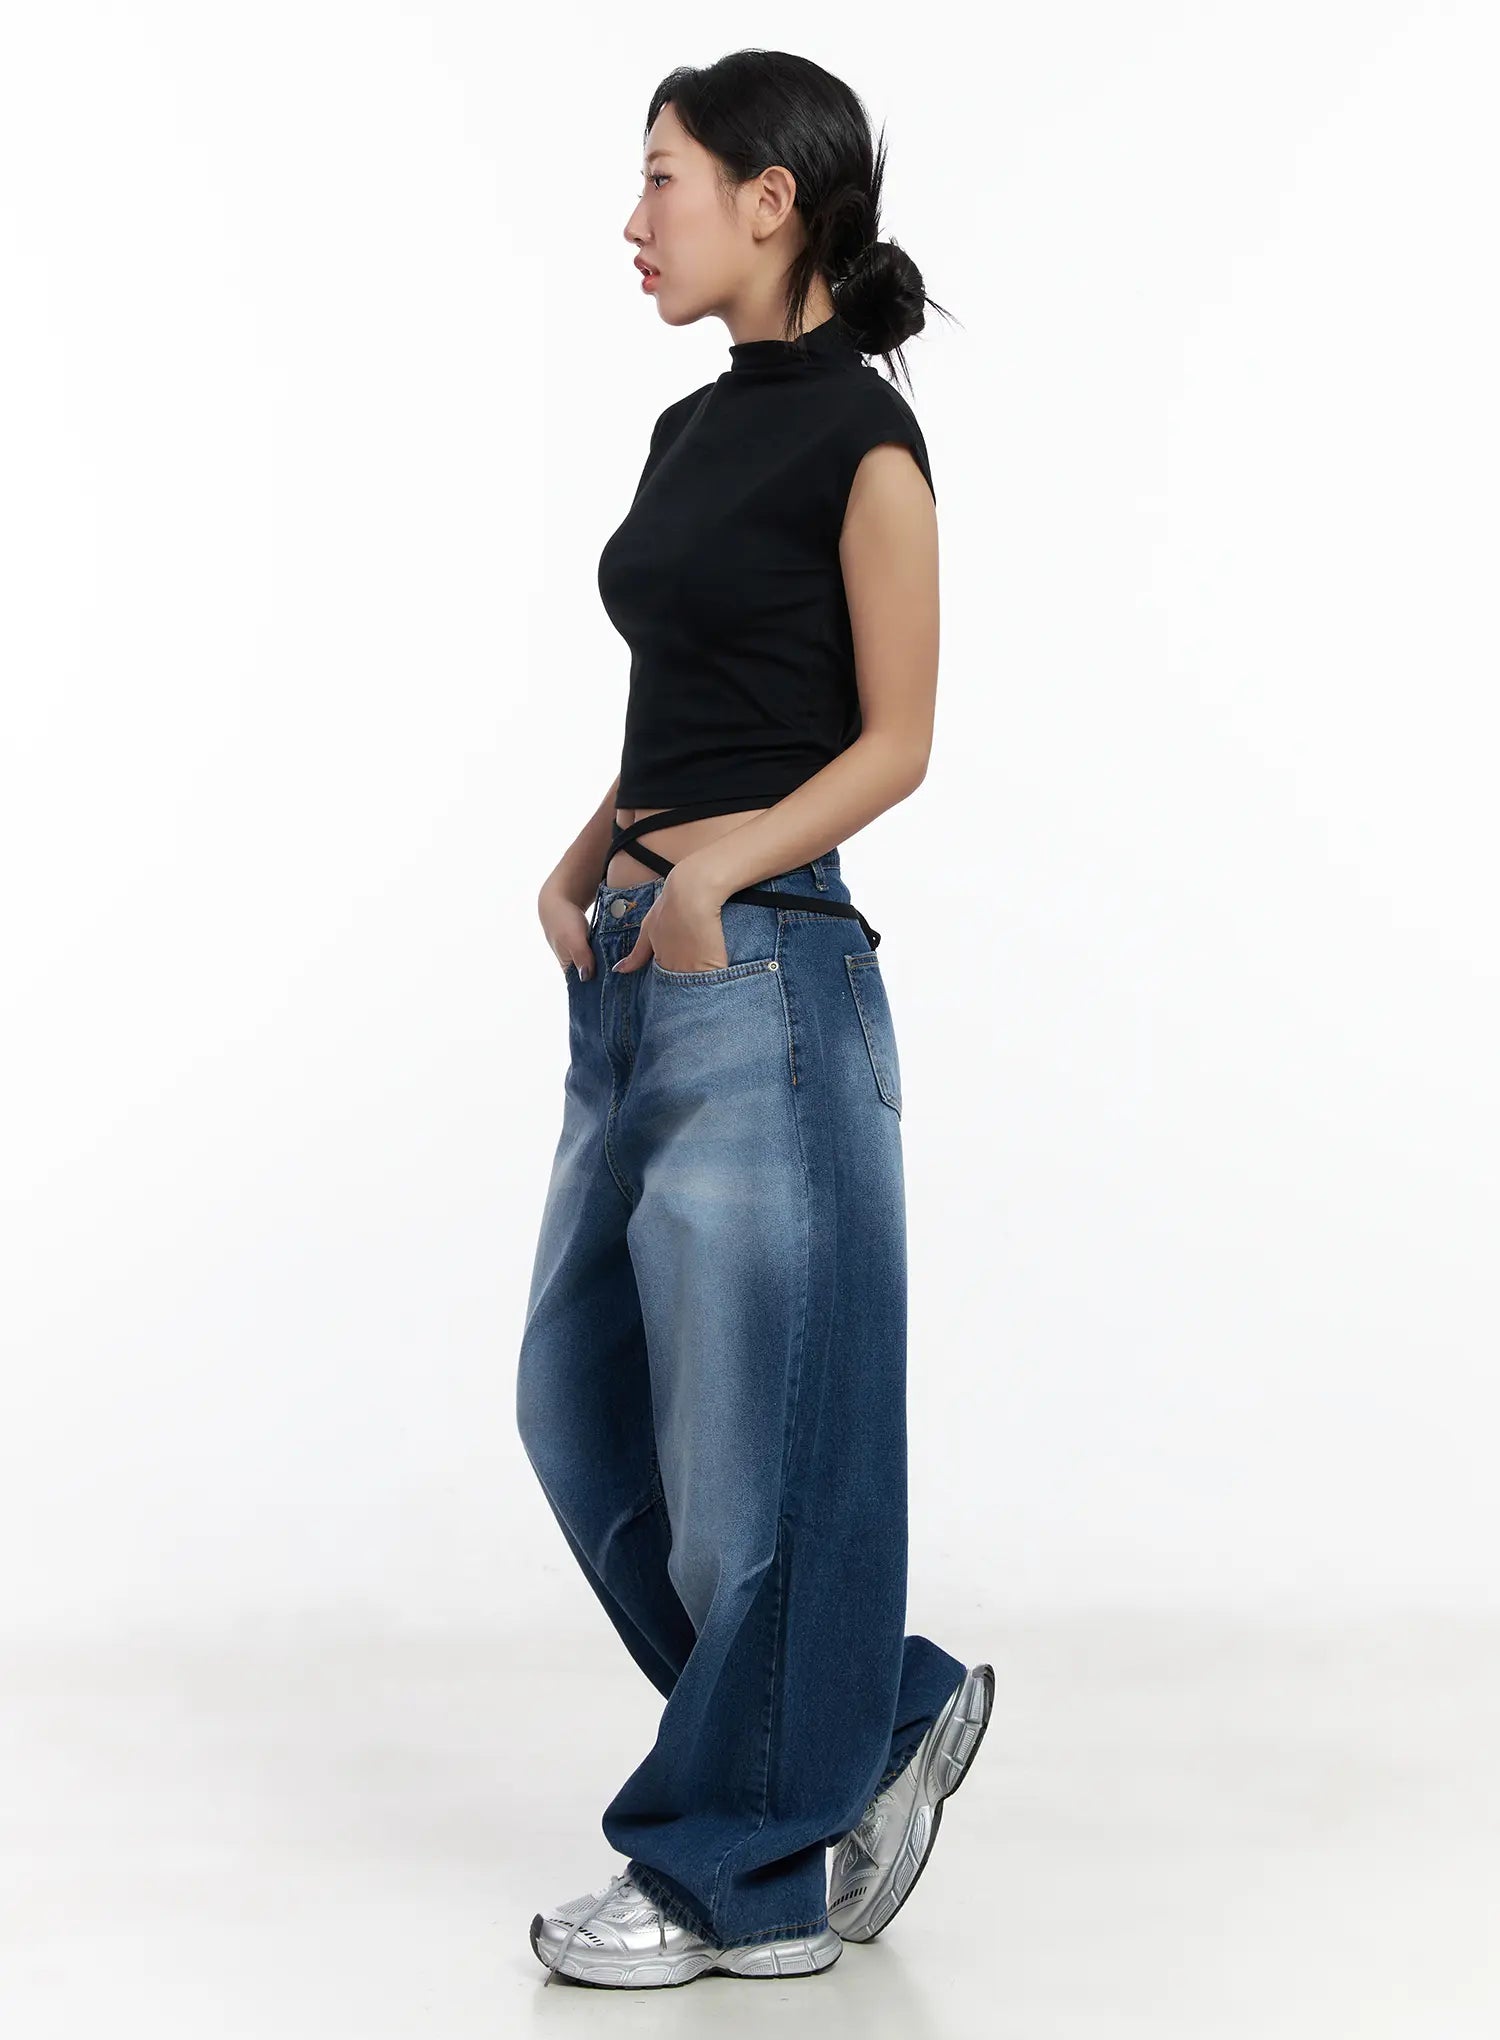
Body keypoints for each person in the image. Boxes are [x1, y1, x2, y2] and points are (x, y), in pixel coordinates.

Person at [517, 50, 994, 1990]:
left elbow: (898, 739)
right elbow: (688, 707)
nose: (635, 223)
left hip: (769, 971)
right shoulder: (685, 432)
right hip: (637, 970)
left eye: (664, 180)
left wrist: (716, 876)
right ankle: (870, 1712)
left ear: (772, 199)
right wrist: (592, 861)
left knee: (766, 1461)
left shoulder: (869, 443)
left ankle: (739, 1874)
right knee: (578, 1409)